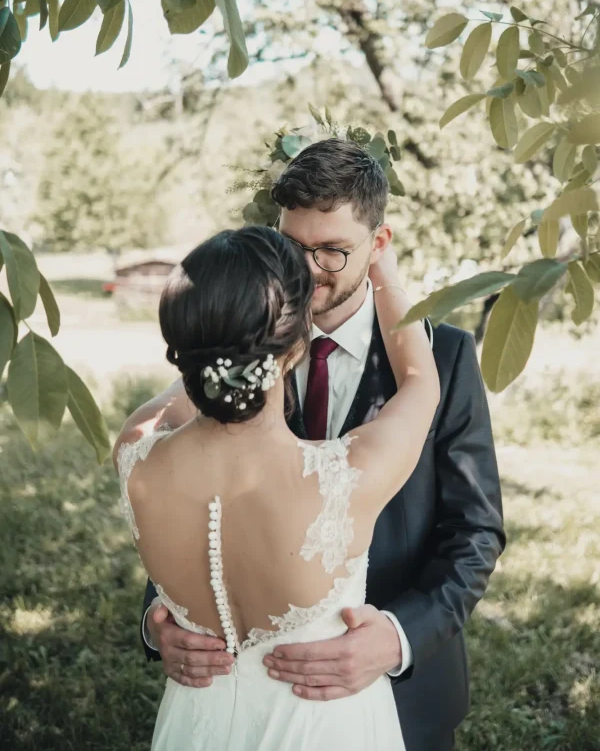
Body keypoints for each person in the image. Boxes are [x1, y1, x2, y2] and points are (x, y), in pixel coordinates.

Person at [123, 139, 506, 751]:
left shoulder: (449, 355)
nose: (306, 271)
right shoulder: (241, 344)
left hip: (400, 697)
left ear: (378, 245)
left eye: (332, 251)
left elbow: (475, 531)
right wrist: (161, 619)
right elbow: (196, 503)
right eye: (292, 248)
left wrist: (397, 638)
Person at [114, 223, 439, 750]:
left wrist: (219, 335)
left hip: (194, 728)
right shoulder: (347, 477)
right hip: (324, 729)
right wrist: (382, 269)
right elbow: (421, 381)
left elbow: (181, 394)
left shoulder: (135, 453)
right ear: (294, 345)